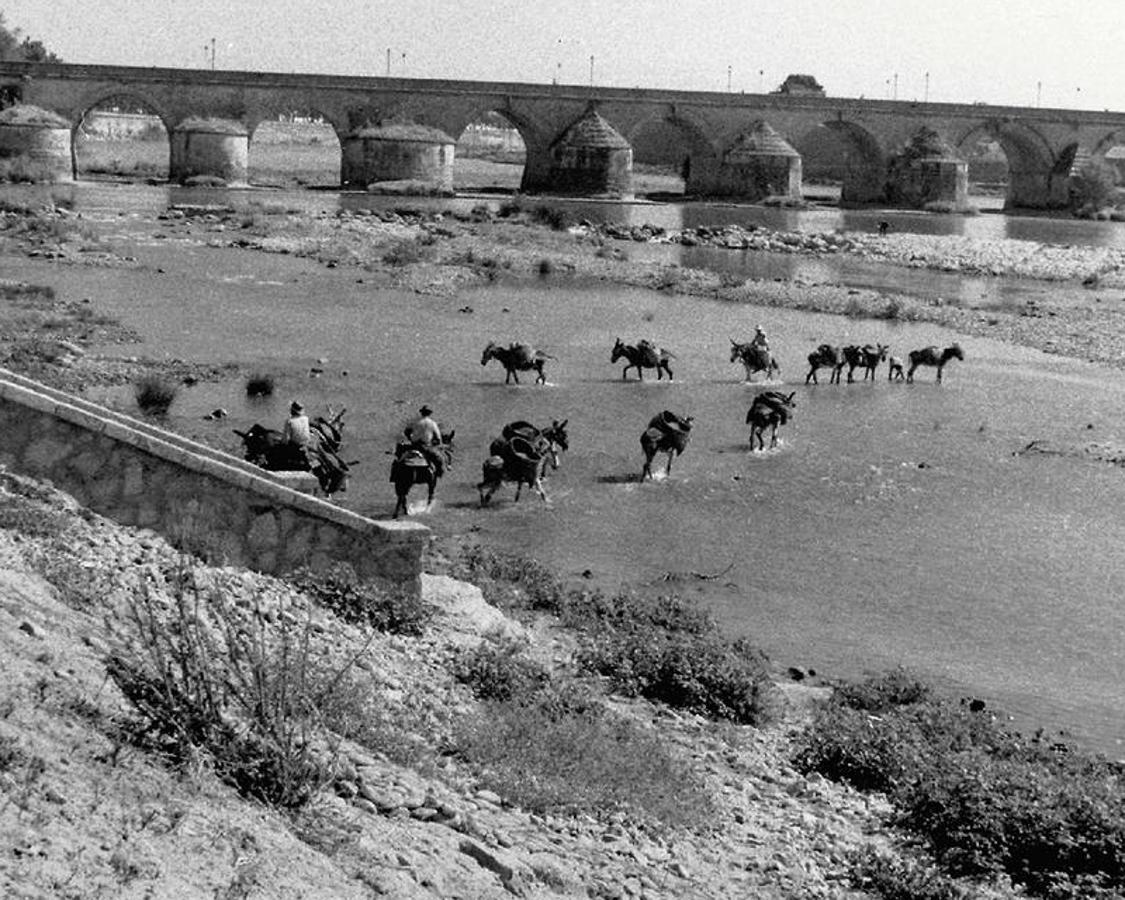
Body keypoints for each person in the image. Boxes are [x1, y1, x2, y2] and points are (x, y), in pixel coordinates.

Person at [404, 404, 444, 476]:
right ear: (429, 413)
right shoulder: (433, 423)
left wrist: (410, 438)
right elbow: (438, 437)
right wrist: (438, 442)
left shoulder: (414, 421)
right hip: (426, 446)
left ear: (421, 413)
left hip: (414, 445)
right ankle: (439, 472)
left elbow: (406, 431)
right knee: (439, 459)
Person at [282, 400, 312, 467]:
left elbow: (285, 440)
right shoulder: (306, 418)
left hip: (296, 446)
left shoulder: (289, 421)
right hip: (306, 444)